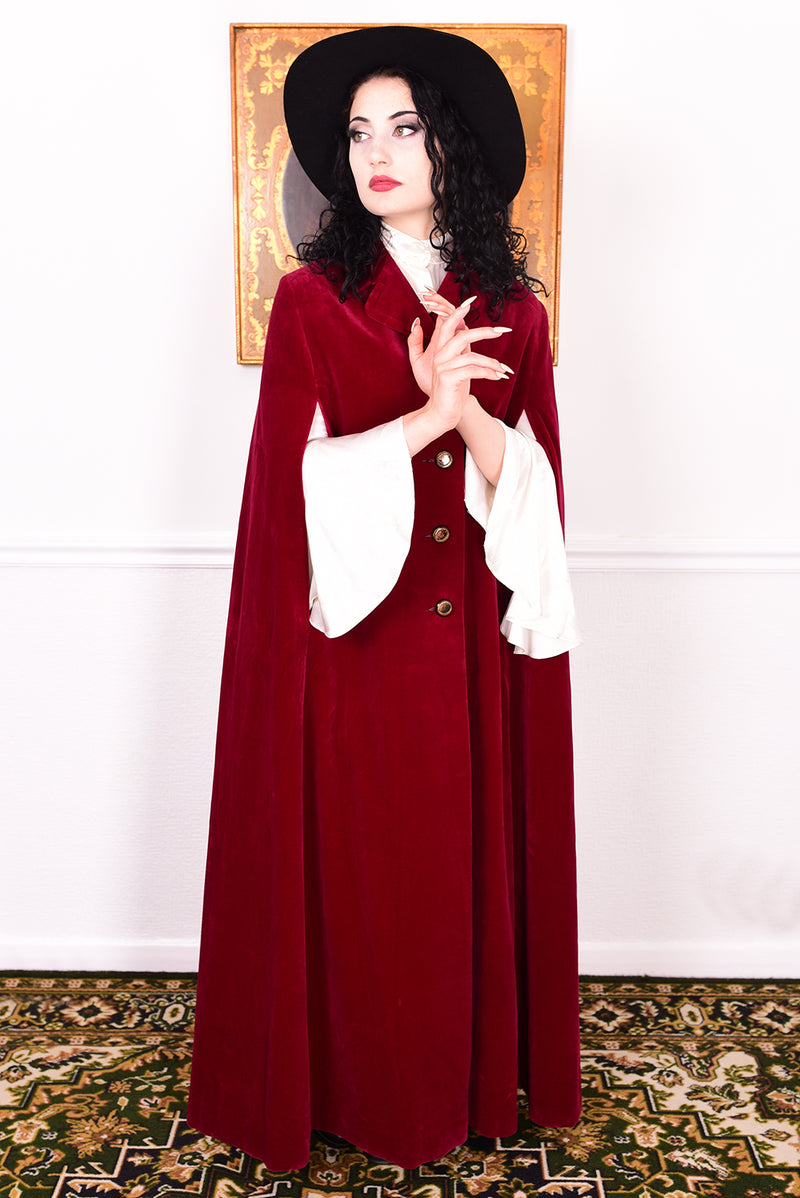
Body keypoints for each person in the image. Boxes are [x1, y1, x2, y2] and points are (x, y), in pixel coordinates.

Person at [187, 25, 582, 1173]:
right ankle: (355, 1088)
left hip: (466, 662)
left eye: (403, 126)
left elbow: (535, 499)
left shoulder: (517, 312)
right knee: (366, 884)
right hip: (351, 656)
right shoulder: (314, 302)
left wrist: (464, 411)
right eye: (358, 132)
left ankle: (460, 1082)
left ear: (450, 144)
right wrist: (417, 413)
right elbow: (292, 496)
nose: (376, 152)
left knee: (451, 880)